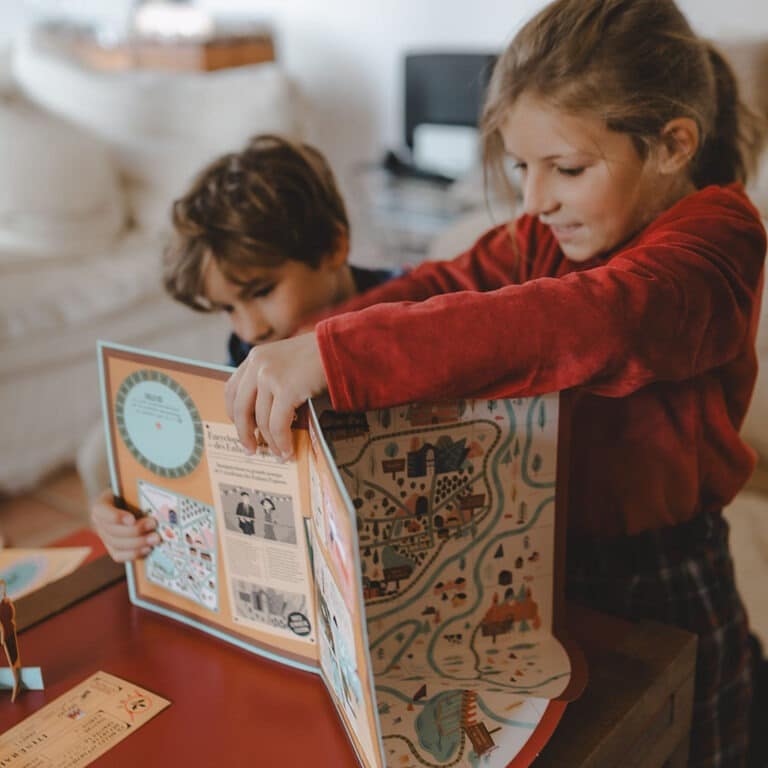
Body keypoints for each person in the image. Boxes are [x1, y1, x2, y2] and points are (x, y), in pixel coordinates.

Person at [224, 2, 766, 765]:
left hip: (662, 577)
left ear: (674, 143)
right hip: (534, 557)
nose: (536, 199)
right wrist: (300, 343)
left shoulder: (718, 242)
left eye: (566, 169)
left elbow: (586, 321)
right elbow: (446, 284)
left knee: (687, 739)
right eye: (521, 168)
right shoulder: (544, 233)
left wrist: (343, 353)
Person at [91, 134, 399, 563]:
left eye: (262, 291)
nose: (250, 327)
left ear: (333, 246)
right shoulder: (248, 347)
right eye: (227, 308)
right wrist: (131, 509)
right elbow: (212, 454)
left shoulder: (406, 317)